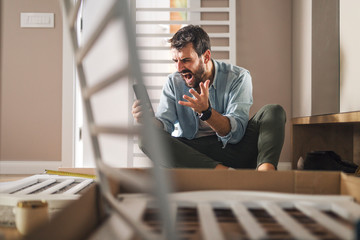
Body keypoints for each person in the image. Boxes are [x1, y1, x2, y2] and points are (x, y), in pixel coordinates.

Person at [132, 25, 286, 171]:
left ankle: (266, 176)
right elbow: (165, 124)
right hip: (195, 154)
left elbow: (236, 133)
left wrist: (207, 112)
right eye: (176, 61)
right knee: (147, 138)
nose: (179, 68)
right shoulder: (174, 82)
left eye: (186, 60)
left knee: (273, 111)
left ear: (205, 57)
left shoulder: (238, 77)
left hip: (235, 150)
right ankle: (225, 175)